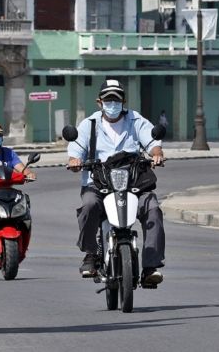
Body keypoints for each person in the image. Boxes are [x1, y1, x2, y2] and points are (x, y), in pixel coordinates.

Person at [67, 80, 166, 285]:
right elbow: (76, 147)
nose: (113, 103)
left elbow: (152, 141)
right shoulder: (90, 124)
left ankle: (150, 267)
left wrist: (157, 154)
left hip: (133, 183)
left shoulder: (135, 120)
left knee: (153, 208)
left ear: (124, 101)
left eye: (116, 99)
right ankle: (90, 255)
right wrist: (74, 160)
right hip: (98, 182)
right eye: (108, 99)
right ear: (99, 101)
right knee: (89, 205)